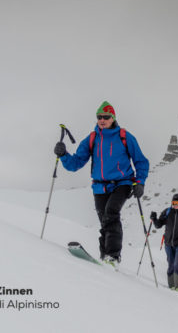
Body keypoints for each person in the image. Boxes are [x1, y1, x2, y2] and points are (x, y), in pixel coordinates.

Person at [54, 101, 149, 265]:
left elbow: (141, 161)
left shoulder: (124, 136)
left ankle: (113, 256)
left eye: (106, 117)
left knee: (111, 213)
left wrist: (140, 182)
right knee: (104, 220)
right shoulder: (92, 138)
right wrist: (63, 154)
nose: (102, 120)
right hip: (99, 185)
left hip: (123, 183)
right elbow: (75, 163)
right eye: (99, 117)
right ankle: (104, 256)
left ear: (113, 118)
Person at [150, 193, 178, 291]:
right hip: (168, 243)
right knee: (170, 264)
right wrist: (154, 219)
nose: (176, 205)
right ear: (172, 202)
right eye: (174, 202)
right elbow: (158, 225)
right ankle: (171, 286)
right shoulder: (167, 211)